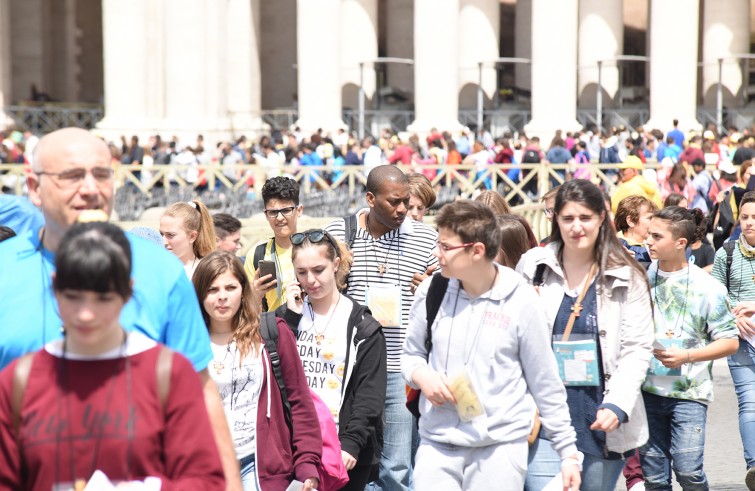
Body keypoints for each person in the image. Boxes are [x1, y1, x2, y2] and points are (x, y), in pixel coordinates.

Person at [0, 127, 241, 489]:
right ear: (34, 188)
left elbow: (202, 391)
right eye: (71, 176)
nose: (90, 189)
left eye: (100, 174)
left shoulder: (162, 270)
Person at [0, 221, 225, 490]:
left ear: (128, 292)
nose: (86, 313)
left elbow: (205, 479)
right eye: (74, 296)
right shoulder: (18, 382)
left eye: (102, 298)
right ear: (55, 288)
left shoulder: (169, 374)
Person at [404, 200, 582, 491]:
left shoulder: (521, 300)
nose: (437, 255)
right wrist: (422, 376)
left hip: (499, 450)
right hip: (436, 445)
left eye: (446, 247)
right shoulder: (431, 290)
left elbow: (545, 381)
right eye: (438, 243)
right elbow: (411, 355)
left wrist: (568, 453)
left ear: (477, 251)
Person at [517, 179, 654, 491]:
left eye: (585, 218)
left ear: (601, 219)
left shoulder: (628, 274)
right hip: (544, 414)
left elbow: (637, 347)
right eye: (567, 218)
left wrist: (617, 403)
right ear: (556, 220)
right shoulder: (533, 266)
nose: (576, 227)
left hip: (600, 417)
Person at [324, 165, 438, 491]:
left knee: (397, 470)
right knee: (346, 462)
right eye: (394, 202)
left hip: (399, 367)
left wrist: (430, 288)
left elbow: (450, 294)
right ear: (371, 199)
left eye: (406, 201)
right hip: (348, 367)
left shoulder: (426, 238)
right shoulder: (339, 233)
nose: (402, 209)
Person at [193, 251, 322, 491]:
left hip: (260, 466)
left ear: (243, 290)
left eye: (230, 287)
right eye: (212, 290)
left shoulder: (271, 332)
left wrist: (307, 463)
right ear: (200, 294)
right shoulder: (184, 343)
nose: (222, 297)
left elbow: (299, 401)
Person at [641, 206, 739, 490]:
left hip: (690, 393)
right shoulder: (640, 279)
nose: (648, 241)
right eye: (648, 234)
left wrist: (687, 356)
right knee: (654, 479)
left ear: (680, 243)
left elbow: (730, 341)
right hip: (646, 391)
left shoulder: (708, 287)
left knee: (688, 472)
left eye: (657, 236)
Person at [283, 229, 387, 490]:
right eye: (302, 272)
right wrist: (290, 319)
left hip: (342, 446)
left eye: (318, 270)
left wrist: (352, 442)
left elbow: (370, 392)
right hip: (294, 442)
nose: (311, 280)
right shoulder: (287, 318)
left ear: (336, 265)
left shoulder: (363, 325)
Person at [711, 191, 755, 489]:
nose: (749, 223)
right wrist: (732, 316)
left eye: (754, 217)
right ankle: (754, 465)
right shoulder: (725, 253)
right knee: (749, 403)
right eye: (745, 217)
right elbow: (714, 296)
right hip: (741, 341)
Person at [244, 177, 303, 312]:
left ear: (299, 211)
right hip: (274, 330)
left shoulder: (313, 250)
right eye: (273, 212)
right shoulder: (256, 255)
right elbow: (247, 310)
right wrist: (255, 295)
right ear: (266, 215)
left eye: (286, 210)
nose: (280, 218)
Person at [160, 200, 217, 278]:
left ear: (192, 236)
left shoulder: (207, 273)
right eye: (161, 234)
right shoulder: (155, 269)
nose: (164, 241)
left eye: (171, 235)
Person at [614, 195, 658, 269]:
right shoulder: (614, 246)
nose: (655, 222)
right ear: (630, 221)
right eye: (650, 218)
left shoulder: (659, 244)